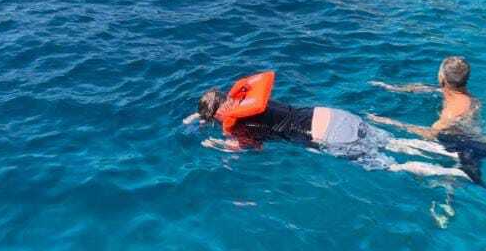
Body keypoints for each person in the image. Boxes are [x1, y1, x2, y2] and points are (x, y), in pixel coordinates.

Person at [188, 71, 470, 180]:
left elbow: (254, 148)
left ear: (215, 116)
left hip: (328, 136)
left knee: (393, 166)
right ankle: (451, 153)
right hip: (334, 115)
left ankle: (455, 172)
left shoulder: (238, 126)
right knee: (393, 142)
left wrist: (217, 144)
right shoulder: (247, 97)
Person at [368, 56, 486, 185]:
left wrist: (388, 122)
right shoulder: (470, 98)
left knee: (448, 180)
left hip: (464, 148)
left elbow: (431, 134)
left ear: (441, 77)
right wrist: (388, 87)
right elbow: (425, 88)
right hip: (477, 138)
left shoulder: (452, 112)